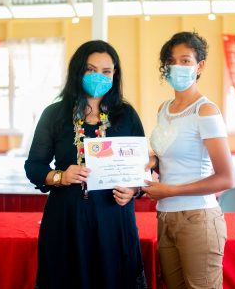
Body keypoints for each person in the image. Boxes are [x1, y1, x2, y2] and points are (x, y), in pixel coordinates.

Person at [25, 40, 147, 289]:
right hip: (67, 220)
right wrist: (60, 176)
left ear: (115, 74)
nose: (98, 76)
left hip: (114, 219)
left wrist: (134, 190)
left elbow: (142, 168)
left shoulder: (126, 115)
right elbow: (34, 166)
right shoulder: (55, 114)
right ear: (78, 71)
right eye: (90, 69)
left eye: (106, 71)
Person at [143, 31, 233, 289]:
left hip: (199, 218)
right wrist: (150, 162)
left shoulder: (205, 110)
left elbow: (226, 178)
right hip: (164, 217)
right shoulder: (163, 109)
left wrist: (170, 190)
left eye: (185, 60)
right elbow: (167, 156)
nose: (178, 67)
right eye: (172, 61)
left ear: (199, 66)